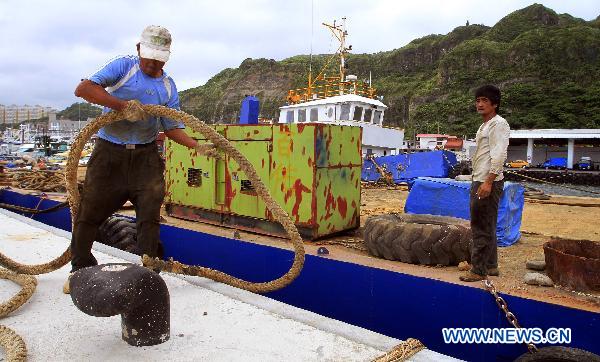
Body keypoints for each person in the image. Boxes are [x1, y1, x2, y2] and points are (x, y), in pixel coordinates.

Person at [64, 25, 212, 293]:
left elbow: (171, 127)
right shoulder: (124, 67)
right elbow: (84, 89)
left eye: (159, 59)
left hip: (145, 158)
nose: (153, 64)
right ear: (138, 49)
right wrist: (123, 106)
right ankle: (79, 268)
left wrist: (196, 145)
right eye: (149, 57)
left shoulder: (168, 87)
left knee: (149, 215)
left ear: (167, 57)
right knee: (89, 213)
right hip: (109, 154)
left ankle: (148, 272)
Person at [460, 85, 510, 282]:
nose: (480, 104)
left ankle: (478, 270)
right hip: (481, 178)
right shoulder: (485, 125)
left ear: (495, 104)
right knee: (487, 224)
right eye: (478, 100)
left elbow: (499, 154)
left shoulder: (499, 124)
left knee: (480, 225)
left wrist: (488, 182)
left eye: (485, 101)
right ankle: (491, 265)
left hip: (487, 180)